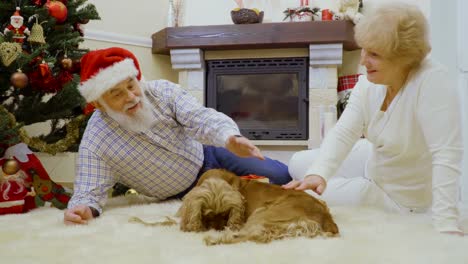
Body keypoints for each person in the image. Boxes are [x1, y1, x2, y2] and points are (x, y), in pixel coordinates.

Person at [283, 2, 464, 235]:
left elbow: (446, 154)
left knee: (304, 198)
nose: (362, 61)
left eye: (374, 54)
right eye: (364, 49)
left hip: (396, 196)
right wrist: (319, 172)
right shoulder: (371, 81)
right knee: (298, 163)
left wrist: (446, 224)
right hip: (375, 159)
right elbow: (344, 132)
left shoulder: (432, 82)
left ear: (405, 58)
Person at [64, 47, 291, 225]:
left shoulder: (162, 91)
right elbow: (88, 191)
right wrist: (83, 209)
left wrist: (229, 137)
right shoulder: (96, 140)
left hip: (213, 155)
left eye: (131, 85)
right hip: (182, 194)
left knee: (279, 176)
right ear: (99, 104)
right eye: (116, 94)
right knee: (235, 211)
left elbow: (200, 117)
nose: (131, 97)